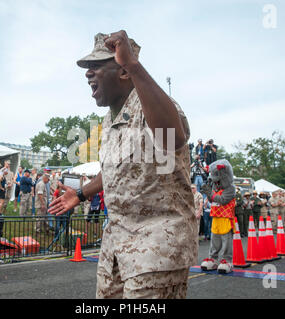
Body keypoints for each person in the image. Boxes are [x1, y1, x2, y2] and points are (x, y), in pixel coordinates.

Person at [49, 31, 197, 299]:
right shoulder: (109, 120)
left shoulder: (155, 106)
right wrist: (81, 193)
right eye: (87, 68)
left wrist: (134, 65)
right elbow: (114, 172)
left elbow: (173, 138)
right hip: (116, 250)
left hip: (156, 249)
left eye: (96, 66)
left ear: (124, 72)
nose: (88, 74)